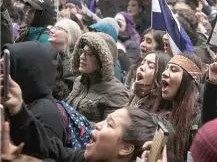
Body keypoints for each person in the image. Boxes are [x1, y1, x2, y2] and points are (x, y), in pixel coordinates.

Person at [1, 74, 172, 162]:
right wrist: (18, 109)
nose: (97, 125)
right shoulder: (83, 158)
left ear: (126, 148)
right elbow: (47, 147)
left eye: (109, 125)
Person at [2, 42, 67, 145]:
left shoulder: (46, 114)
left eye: (5, 68)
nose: (2, 75)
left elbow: (42, 156)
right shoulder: (21, 102)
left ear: (25, 71)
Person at [67, 32, 129, 125]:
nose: (82, 57)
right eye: (82, 52)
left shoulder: (117, 92)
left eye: (89, 53)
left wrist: (77, 125)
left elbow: (112, 130)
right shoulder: (79, 81)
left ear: (103, 59)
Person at [161, 53, 202, 162]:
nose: (164, 73)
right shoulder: (167, 114)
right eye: (166, 68)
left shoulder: (199, 121)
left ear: (190, 80)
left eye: (174, 70)